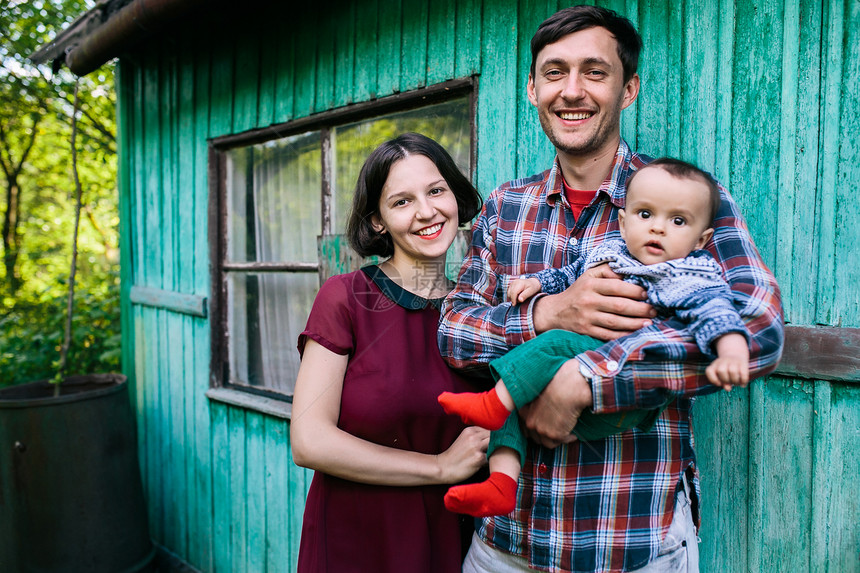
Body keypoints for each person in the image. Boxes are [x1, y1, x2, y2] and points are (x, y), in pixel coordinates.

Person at [437, 6, 784, 573]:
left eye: (594, 72)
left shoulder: (686, 201)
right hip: (506, 546)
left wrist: (588, 381)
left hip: (631, 542)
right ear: (532, 90)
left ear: (629, 89)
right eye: (554, 72)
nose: (572, 91)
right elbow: (453, 332)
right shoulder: (504, 207)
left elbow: (759, 332)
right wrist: (547, 314)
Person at [438, 158, 750, 518]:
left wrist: (731, 350)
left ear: (702, 239)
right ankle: (501, 485)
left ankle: (496, 406)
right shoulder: (613, 252)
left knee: (551, 345)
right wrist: (540, 288)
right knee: (512, 400)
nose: (658, 229)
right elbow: (569, 272)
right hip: (510, 535)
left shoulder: (686, 274)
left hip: (622, 405)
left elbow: (719, 313)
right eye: (645, 215)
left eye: (677, 221)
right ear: (624, 221)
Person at [290, 132, 490, 573]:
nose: (426, 211)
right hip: (360, 539)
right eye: (401, 201)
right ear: (378, 220)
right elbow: (309, 442)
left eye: (436, 190)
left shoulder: (478, 313)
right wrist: (439, 467)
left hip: (451, 535)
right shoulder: (345, 298)